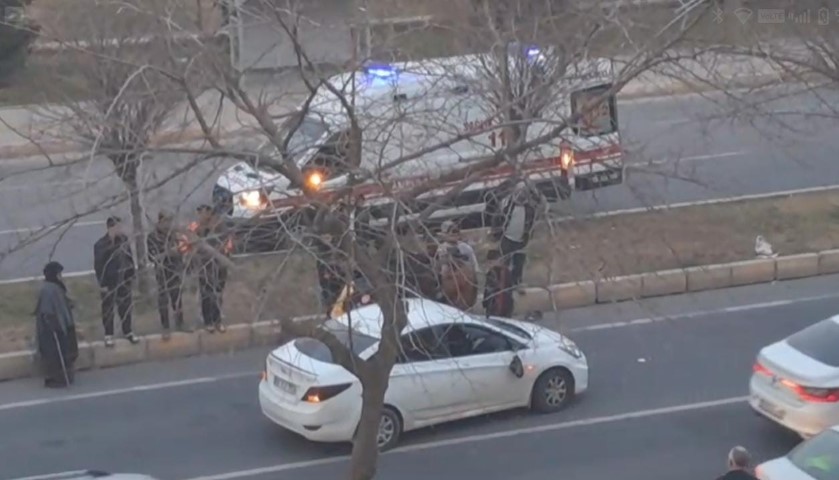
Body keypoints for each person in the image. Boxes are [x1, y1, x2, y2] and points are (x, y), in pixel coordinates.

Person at [93, 216, 137, 347]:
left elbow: (129, 258)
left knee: (125, 307)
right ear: (110, 227)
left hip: (123, 280)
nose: (120, 229)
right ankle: (108, 334)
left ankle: (128, 331)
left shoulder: (123, 241)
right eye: (117, 227)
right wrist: (102, 284)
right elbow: (99, 265)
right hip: (109, 281)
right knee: (108, 309)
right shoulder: (101, 245)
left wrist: (131, 275)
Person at [34, 261, 78, 388]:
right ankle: (57, 378)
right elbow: (46, 310)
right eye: (59, 273)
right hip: (53, 328)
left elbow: (62, 302)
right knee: (55, 353)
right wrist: (53, 323)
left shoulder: (57, 287)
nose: (61, 276)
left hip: (63, 323)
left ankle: (64, 376)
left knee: (66, 351)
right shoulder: (47, 289)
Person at [147, 210, 190, 338]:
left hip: (175, 269)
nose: (169, 224)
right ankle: (165, 327)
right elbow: (151, 256)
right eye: (166, 221)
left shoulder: (174, 235)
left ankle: (180, 323)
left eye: (170, 221)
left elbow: (182, 250)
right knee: (163, 299)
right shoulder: (153, 237)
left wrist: (179, 252)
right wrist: (166, 253)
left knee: (177, 297)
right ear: (160, 221)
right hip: (162, 271)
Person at [194, 205, 233, 333]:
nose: (201, 216)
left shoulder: (221, 228)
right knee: (206, 294)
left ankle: (217, 320)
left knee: (218, 294)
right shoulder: (198, 229)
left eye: (203, 213)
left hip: (219, 266)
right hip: (205, 267)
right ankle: (208, 321)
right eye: (199, 213)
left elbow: (226, 244)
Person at [491, 184, 538, 288]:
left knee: (518, 264)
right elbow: (497, 218)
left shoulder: (530, 208)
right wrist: (495, 233)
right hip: (506, 238)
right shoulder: (506, 204)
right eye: (519, 192)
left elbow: (531, 223)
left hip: (521, 241)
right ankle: (502, 285)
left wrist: (529, 235)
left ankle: (517, 284)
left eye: (524, 192)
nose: (521, 195)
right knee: (504, 263)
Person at [483, 249, 514, 318]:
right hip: (507, 306)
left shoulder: (492, 273)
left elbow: (488, 290)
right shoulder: (507, 271)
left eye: (490, 262)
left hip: (494, 306)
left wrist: (485, 303)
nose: (488, 264)